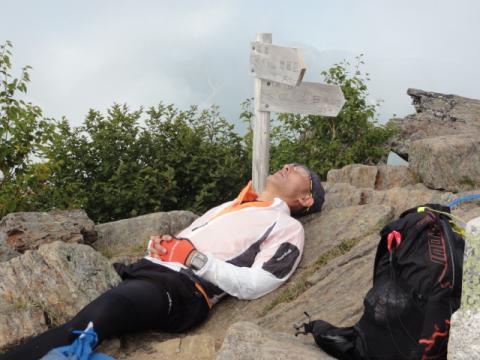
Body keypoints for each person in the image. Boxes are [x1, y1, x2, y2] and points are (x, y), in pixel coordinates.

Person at [1, 163, 325, 360]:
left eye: (301, 172)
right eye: (290, 164)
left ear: (306, 198)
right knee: (81, 313)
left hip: (183, 291)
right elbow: (191, 241)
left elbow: (258, 283)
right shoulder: (235, 204)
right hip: (149, 272)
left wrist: (194, 259)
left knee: (99, 316)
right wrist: (163, 247)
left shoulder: (287, 227)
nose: (289, 167)